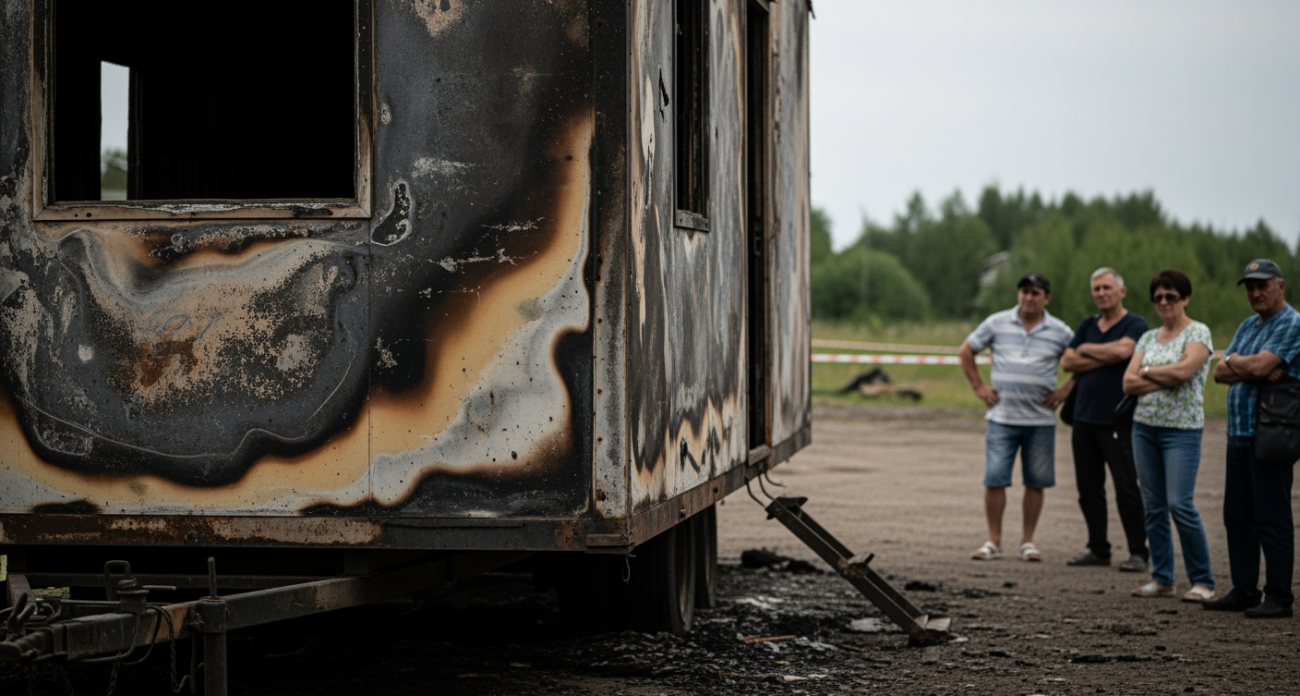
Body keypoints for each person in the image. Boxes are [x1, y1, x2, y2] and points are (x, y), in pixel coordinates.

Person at [1205, 259, 1300, 619]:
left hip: (1272, 433)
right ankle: (1245, 590)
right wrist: (1245, 363)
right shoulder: (1248, 324)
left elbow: (1253, 367)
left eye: (1263, 285)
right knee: (1237, 516)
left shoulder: (1292, 323)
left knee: (1272, 518)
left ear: (1281, 286)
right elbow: (1219, 373)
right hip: (1239, 433)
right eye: (1250, 286)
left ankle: (1279, 597)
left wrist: (1239, 362)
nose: (1256, 292)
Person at [960, 272, 1075, 562]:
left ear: (1046, 298)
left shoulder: (1061, 331)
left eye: (1035, 293)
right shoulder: (996, 323)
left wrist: (1065, 391)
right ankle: (994, 541)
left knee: (1036, 481)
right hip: (1002, 417)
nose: (1028, 297)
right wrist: (978, 387)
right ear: (1018, 294)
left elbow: (1081, 362)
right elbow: (967, 350)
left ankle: (1027, 541)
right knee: (995, 478)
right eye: (1024, 291)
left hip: (1040, 421)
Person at [1121, 270, 1215, 603]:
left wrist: (1147, 372)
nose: (1164, 302)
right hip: (1144, 428)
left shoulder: (1198, 332)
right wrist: (1164, 375)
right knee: (1153, 507)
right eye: (1158, 297)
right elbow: (1128, 383)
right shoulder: (1147, 338)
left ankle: (1203, 580)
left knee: (1180, 504)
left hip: (1182, 432)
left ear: (1185, 298)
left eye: (1171, 296)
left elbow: (1186, 372)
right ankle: (1163, 578)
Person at [1061, 268, 1150, 572]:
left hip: (1118, 421)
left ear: (1121, 291)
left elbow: (1126, 351)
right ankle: (1098, 548)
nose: (1101, 293)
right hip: (1083, 418)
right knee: (1088, 488)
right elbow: (1067, 360)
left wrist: (1086, 350)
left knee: (1126, 487)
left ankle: (1139, 551)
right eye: (1096, 288)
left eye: (1107, 288)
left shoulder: (1136, 324)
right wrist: (1100, 354)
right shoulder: (1087, 324)